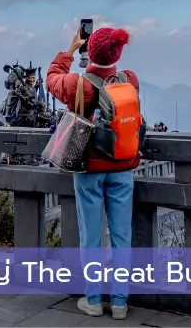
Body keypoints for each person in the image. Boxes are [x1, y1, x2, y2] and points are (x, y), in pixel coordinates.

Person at [46, 25, 141, 320]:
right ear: (118, 52)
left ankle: (93, 299)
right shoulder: (129, 80)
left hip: (88, 170)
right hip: (123, 167)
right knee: (122, 235)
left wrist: (70, 50)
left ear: (90, 53)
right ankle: (121, 302)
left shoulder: (78, 84)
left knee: (91, 236)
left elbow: (51, 80)